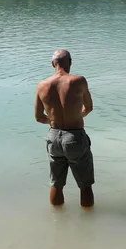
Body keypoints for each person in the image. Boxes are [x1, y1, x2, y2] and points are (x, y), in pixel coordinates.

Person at [35, 49, 95, 208]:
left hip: (53, 137)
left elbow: (38, 117)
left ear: (53, 64)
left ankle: (57, 221)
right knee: (85, 185)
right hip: (75, 137)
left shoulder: (42, 85)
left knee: (56, 183)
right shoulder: (78, 81)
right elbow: (88, 107)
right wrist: (77, 116)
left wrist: (53, 120)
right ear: (70, 62)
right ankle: (87, 224)